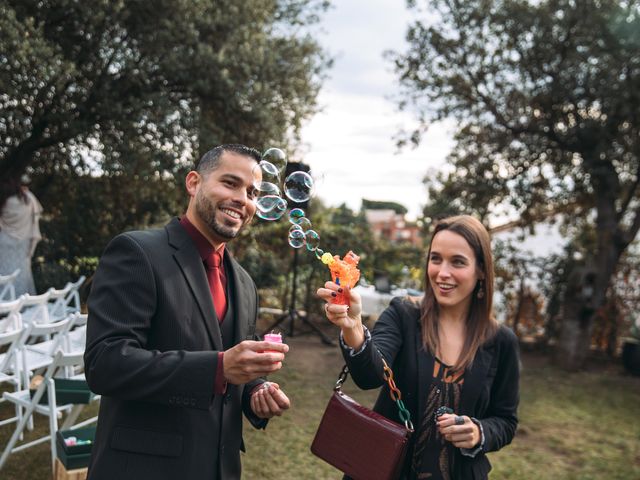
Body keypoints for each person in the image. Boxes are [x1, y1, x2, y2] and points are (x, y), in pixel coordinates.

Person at [84, 144, 291, 480]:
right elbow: (105, 363)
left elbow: (236, 361)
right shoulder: (137, 252)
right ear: (194, 183)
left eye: (252, 192)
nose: (242, 198)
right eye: (230, 183)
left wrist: (256, 389)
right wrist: (219, 368)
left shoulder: (244, 282)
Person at [318, 215, 519, 480]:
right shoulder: (404, 314)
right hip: (383, 471)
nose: (442, 272)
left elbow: (505, 421)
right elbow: (369, 377)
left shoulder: (501, 341)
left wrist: (479, 432)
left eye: (457, 261)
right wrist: (352, 326)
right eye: (436, 259)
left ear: (481, 270)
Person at [0, 176, 43, 296]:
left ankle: (4, 302)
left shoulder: (4, 202)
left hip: (4, 241)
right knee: (21, 273)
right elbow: (37, 212)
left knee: (4, 273)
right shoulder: (28, 200)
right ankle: (21, 302)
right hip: (24, 241)